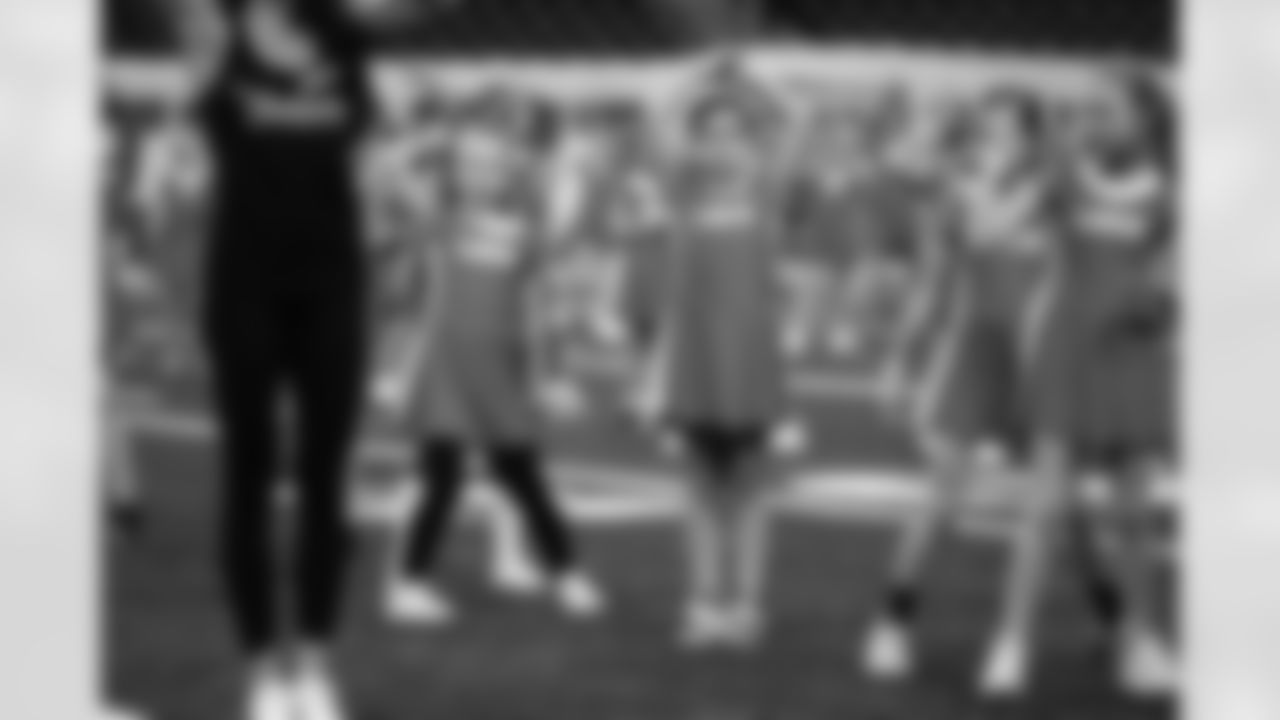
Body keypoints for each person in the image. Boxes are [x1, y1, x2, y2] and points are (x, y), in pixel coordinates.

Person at [174, 1, 382, 717]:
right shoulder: (213, 31)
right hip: (245, 287)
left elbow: (365, 140)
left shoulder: (344, 35)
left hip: (333, 284)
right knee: (249, 474)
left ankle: (317, 665)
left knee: (328, 477)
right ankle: (264, 667)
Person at [860, 87, 1080, 695]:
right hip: (973, 356)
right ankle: (892, 620)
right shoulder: (957, 194)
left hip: (1042, 356)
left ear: (1033, 137)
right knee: (941, 497)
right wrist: (900, 363)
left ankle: (1017, 638)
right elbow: (933, 283)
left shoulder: (1059, 190)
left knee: (1053, 509)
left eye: (1009, 131)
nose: (994, 142)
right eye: (986, 131)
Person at [382, 90, 606, 627]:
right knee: (442, 476)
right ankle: (409, 583)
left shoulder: (526, 227)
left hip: (503, 369)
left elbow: (540, 301)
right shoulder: (439, 216)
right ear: (453, 170)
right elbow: (393, 170)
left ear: (511, 171)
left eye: (493, 165)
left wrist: (550, 375)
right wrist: (443, 136)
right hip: (447, 369)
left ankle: (567, 572)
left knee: (525, 476)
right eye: (470, 165)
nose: (481, 174)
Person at [629, 63, 796, 648]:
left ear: (752, 143)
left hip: (751, 364)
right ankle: (702, 603)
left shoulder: (767, 190)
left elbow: (792, 119)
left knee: (752, 487)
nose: (724, 144)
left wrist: (750, 78)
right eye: (712, 133)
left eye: (736, 133)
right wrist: (698, 79)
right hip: (696, 363)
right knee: (698, 486)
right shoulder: (682, 187)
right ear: (696, 142)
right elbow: (656, 114)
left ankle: (748, 605)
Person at [1049, 70, 1179, 696]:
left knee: (1133, 505)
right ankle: (1111, 611)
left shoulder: (1173, 187)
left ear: (1147, 120)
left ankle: (1142, 638)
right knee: (1065, 505)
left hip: (1134, 352)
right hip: (1068, 349)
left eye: (1112, 110)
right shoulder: (1068, 173)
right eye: (1094, 109)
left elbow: (1176, 267)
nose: (1100, 119)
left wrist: (1163, 298)